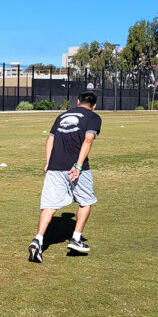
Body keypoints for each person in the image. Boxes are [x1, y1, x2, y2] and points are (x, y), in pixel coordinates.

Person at [28, 90, 102, 263]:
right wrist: (78, 165)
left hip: (55, 166)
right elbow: (89, 139)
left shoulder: (62, 116)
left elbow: (49, 140)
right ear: (94, 105)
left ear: (77, 101)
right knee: (86, 201)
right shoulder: (93, 116)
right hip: (77, 168)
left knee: (49, 205)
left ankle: (38, 239)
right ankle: (76, 238)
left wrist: (48, 162)